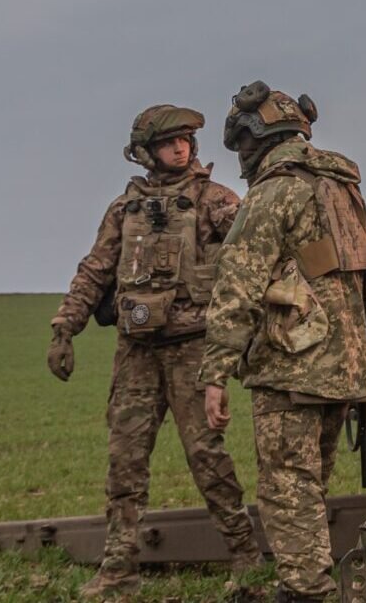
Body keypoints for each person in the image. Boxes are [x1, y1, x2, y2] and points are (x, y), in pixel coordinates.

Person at [49, 105, 262, 598]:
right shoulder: (124, 211)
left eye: (187, 140)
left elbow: (253, 247)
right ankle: (119, 568)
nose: (181, 148)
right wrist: (64, 327)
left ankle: (246, 555)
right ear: (146, 151)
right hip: (137, 352)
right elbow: (95, 270)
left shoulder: (214, 200)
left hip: (193, 350)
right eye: (170, 142)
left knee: (207, 459)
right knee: (125, 461)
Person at [199, 82, 366, 603]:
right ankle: (311, 579)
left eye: (242, 148)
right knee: (310, 483)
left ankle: (306, 591)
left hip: (292, 365)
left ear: (257, 139)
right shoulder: (340, 186)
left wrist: (214, 373)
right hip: (343, 363)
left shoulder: (274, 192)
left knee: (286, 487)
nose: (241, 160)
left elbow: (238, 287)